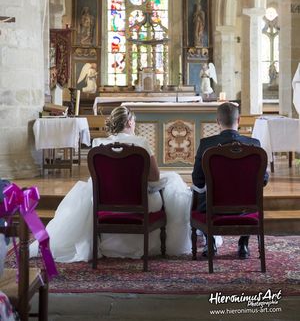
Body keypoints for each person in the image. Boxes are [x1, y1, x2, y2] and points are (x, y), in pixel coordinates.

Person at [30, 107, 192, 262]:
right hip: (141, 203)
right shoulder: (141, 143)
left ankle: (107, 243)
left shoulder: (98, 144)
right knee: (171, 187)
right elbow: (155, 177)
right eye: (133, 122)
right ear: (129, 123)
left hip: (105, 203)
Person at [192, 102, 269, 259]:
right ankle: (243, 244)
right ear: (239, 120)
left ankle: (210, 242)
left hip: (212, 206)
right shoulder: (254, 145)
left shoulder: (206, 145)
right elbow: (263, 180)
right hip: (247, 207)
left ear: (217, 121)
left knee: (197, 195)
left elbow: (198, 180)